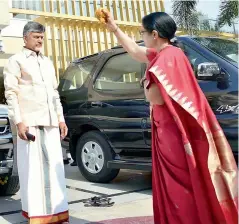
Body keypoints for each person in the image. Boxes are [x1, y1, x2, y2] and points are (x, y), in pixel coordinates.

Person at [100, 10, 238, 224]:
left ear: (154, 34)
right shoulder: (167, 53)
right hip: (169, 130)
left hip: (172, 135)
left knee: (177, 186)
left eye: (143, 32)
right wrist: (115, 29)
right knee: (181, 183)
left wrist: (144, 84)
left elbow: (156, 97)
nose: (142, 36)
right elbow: (136, 51)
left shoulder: (167, 58)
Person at [3, 21, 69, 224]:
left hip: (50, 124)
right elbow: (11, 94)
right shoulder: (16, 61)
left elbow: (54, 93)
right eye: (36, 37)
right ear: (25, 38)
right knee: (34, 172)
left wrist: (61, 119)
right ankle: (37, 217)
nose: (40, 40)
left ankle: (56, 215)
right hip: (30, 124)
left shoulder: (47, 63)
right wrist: (19, 122)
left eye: (42, 37)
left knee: (54, 170)